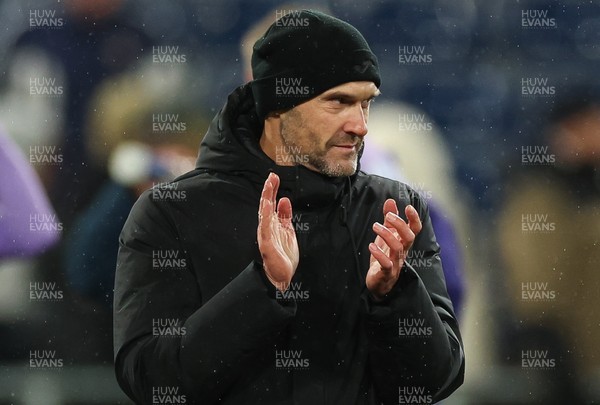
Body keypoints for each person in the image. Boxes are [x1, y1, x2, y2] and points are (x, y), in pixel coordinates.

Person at [114, 10, 464, 404]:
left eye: (366, 103)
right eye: (338, 102)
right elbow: (151, 380)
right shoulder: (170, 212)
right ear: (278, 106)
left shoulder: (394, 209)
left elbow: (434, 381)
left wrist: (396, 295)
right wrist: (262, 289)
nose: (361, 125)